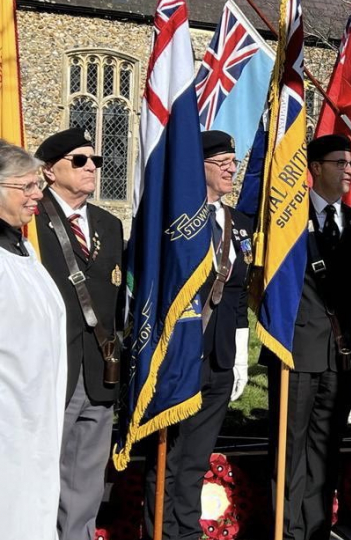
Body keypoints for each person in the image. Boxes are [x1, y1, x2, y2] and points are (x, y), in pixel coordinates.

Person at [259, 134, 351, 540]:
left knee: (326, 447)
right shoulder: (289, 216)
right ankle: (286, 529)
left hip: (337, 354)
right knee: (290, 448)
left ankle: (317, 526)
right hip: (295, 348)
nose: (348, 171)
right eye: (340, 163)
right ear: (317, 167)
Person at [144, 130, 252, 539]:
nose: (231, 170)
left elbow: (238, 291)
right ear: (199, 168)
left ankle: (185, 532)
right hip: (177, 354)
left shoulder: (238, 223)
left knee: (196, 456)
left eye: (233, 162)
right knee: (168, 456)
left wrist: (240, 349)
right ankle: (158, 531)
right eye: (222, 163)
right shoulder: (172, 221)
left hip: (221, 355)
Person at [32, 128, 124, 540]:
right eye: (80, 160)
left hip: (99, 370)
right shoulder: (30, 220)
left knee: (86, 476)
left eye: (96, 160)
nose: (92, 168)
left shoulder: (108, 223)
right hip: (50, 369)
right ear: (50, 171)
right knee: (40, 472)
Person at [0, 141, 67, 540]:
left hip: (36, 420)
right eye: (25, 186)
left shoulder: (22, 247)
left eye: (36, 185)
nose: (37, 194)